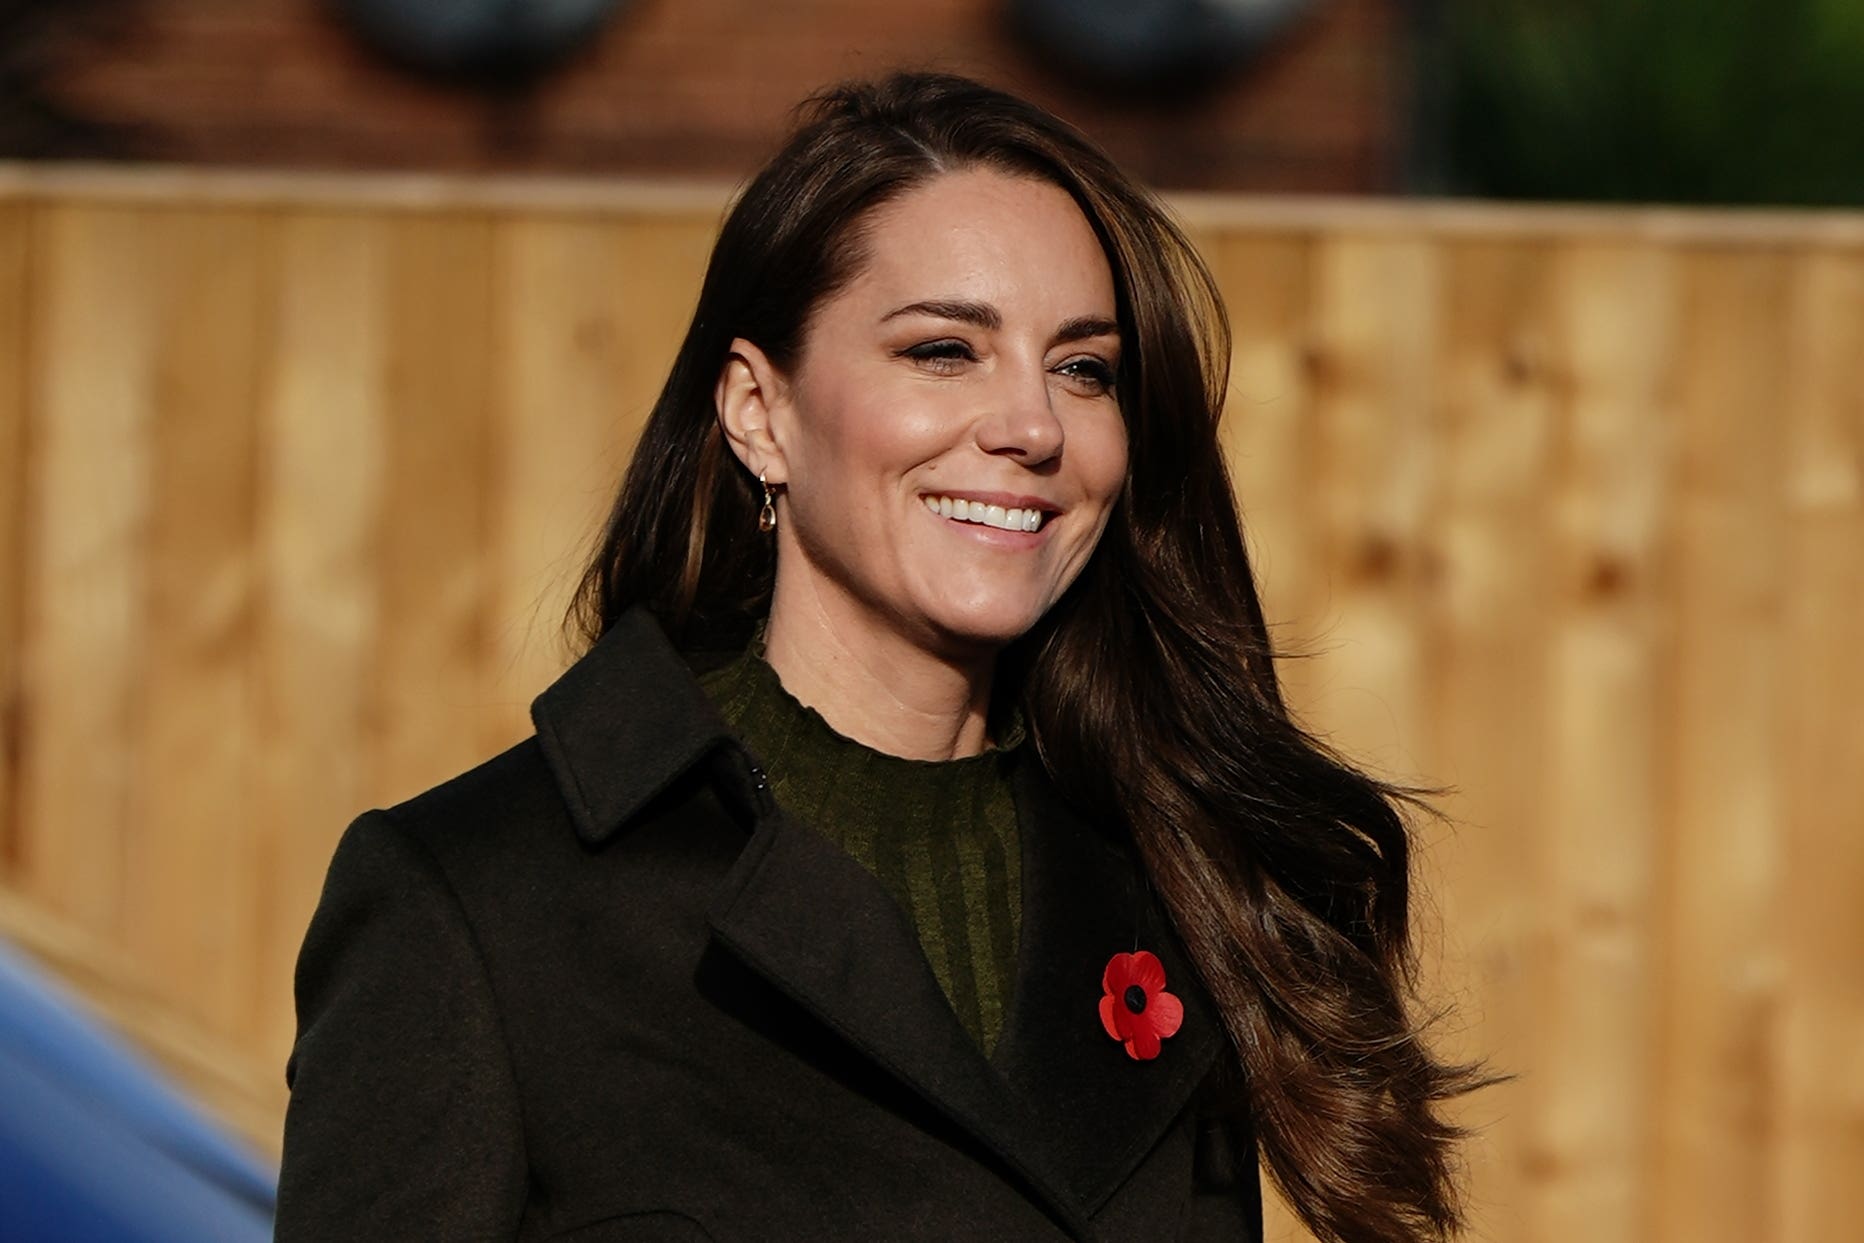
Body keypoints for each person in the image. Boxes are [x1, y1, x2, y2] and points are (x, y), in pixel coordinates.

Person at [275, 72, 1480, 1243]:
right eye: (943, 351)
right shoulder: (477, 904)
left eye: (1082, 368)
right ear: (760, 411)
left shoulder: (1182, 883)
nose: (1031, 426)